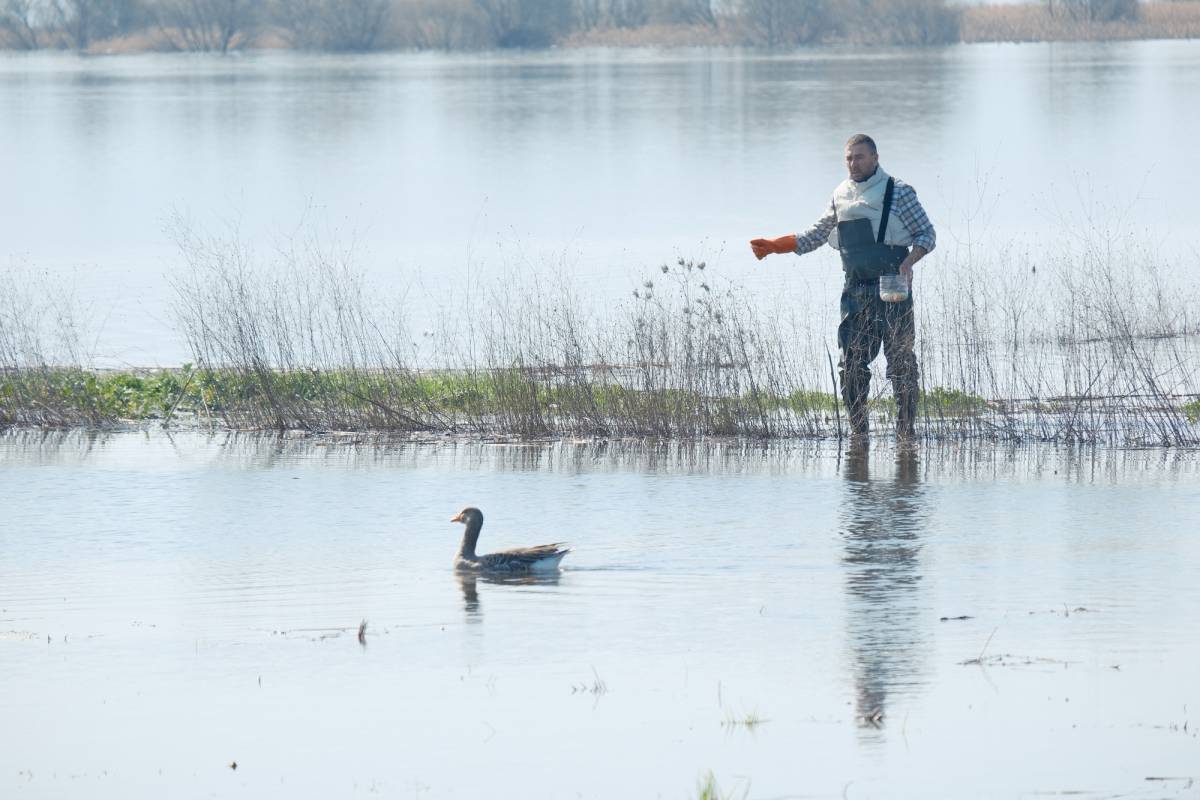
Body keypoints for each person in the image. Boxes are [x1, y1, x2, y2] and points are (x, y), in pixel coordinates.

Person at [750, 134, 936, 439]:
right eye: (849, 158)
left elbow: (927, 235)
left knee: (901, 360)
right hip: (855, 291)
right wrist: (774, 246)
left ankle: (906, 430)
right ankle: (858, 432)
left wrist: (909, 262)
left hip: (892, 286)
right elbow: (817, 234)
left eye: (860, 157)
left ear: (875, 158)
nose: (853, 163)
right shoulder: (840, 194)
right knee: (851, 364)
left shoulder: (898, 191)